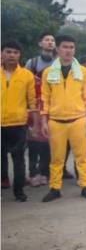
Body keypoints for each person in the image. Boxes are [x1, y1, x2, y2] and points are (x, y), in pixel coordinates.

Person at [40, 36, 86, 202]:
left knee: (82, 157)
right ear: (57, 49)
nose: (68, 50)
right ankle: (55, 188)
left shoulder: (83, 72)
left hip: (78, 120)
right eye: (65, 47)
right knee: (56, 158)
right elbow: (44, 99)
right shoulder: (48, 73)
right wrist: (44, 121)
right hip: (56, 121)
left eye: (71, 47)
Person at [1, 41, 38, 201]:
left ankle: (19, 191)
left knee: (18, 159)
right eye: (8, 52)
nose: (11, 55)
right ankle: (3, 184)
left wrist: (35, 124)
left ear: (19, 55)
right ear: (2, 53)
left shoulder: (26, 75)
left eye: (15, 52)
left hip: (18, 123)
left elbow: (32, 102)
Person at [24, 33, 56, 186]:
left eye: (52, 41)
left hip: (51, 107)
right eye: (47, 40)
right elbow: (25, 84)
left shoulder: (58, 63)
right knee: (33, 143)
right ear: (40, 43)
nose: (50, 43)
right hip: (34, 106)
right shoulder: (33, 62)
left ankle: (45, 173)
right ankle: (33, 173)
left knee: (47, 144)